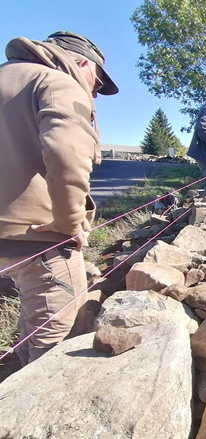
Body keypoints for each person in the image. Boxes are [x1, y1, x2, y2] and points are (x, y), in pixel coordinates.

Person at [0, 31, 118, 365]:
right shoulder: (58, 83)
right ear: (82, 63)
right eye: (96, 83)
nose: (94, 91)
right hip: (38, 240)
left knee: (31, 325)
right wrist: (69, 224)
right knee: (56, 343)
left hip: (7, 240)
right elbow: (66, 154)